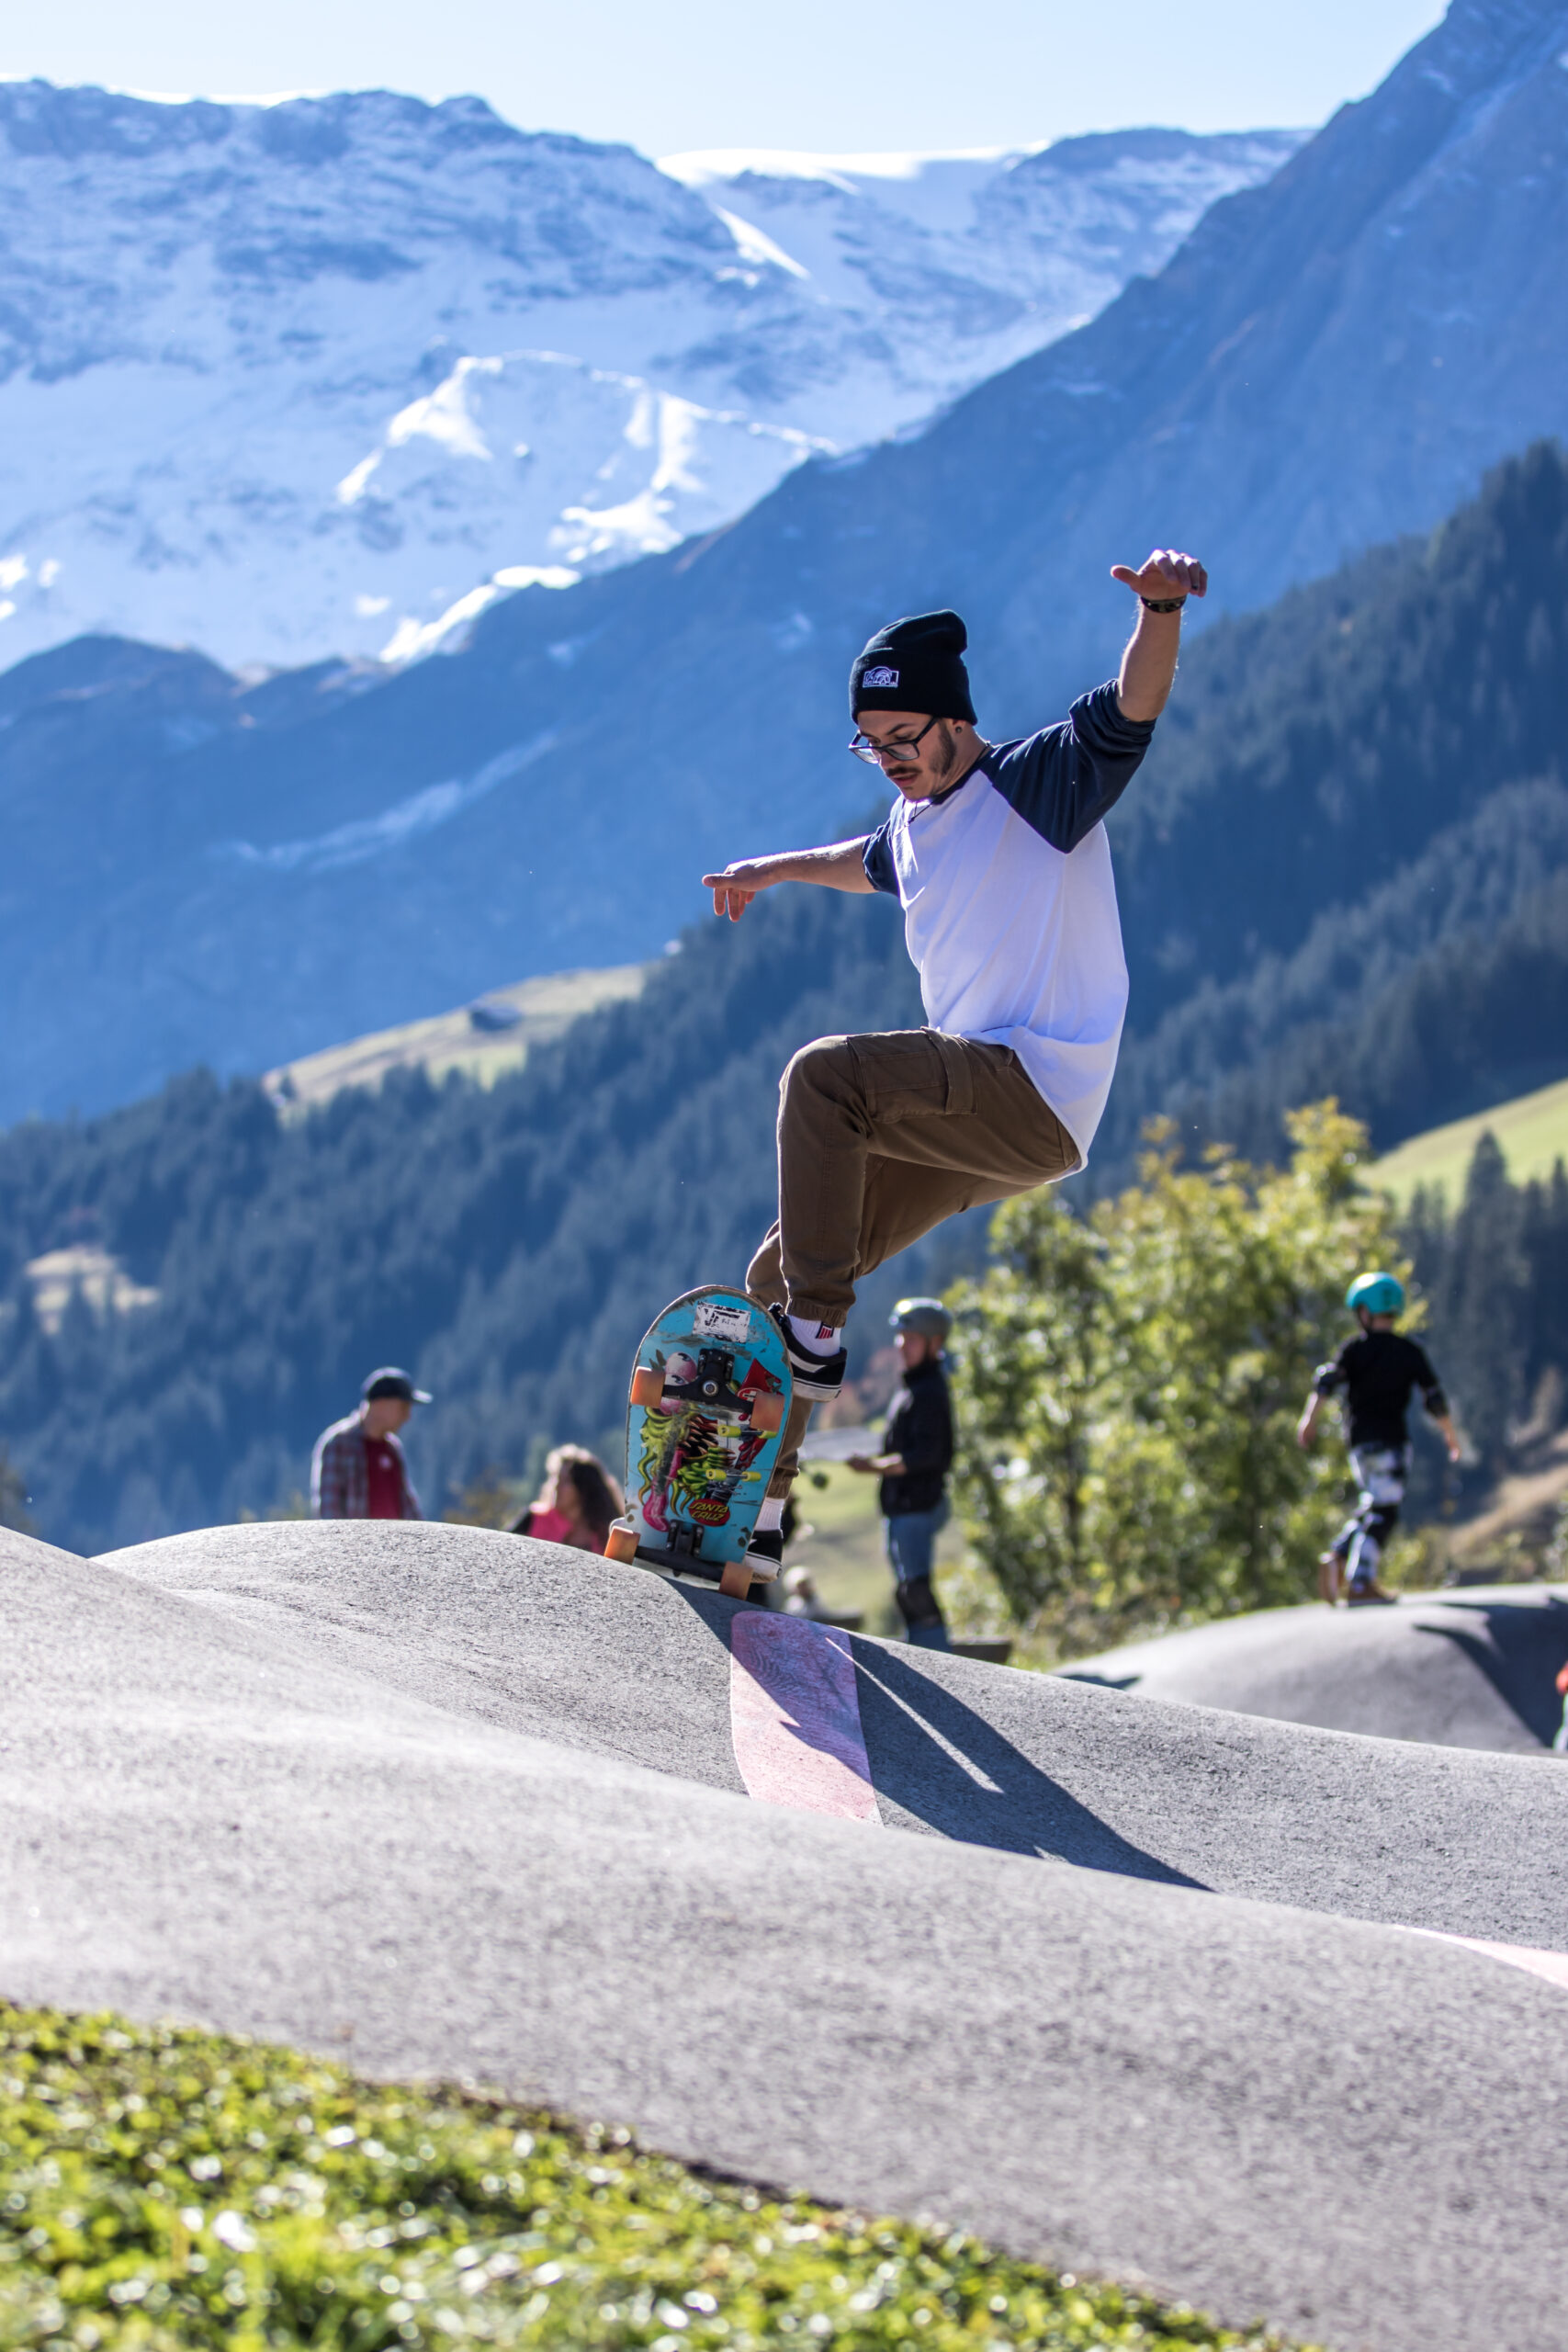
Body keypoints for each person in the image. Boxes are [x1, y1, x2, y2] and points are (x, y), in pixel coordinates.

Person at [701, 549, 1207, 1574]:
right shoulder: (910, 822)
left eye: (905, 737)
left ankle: (817, 1338)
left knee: (825, 1080)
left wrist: (1158, 610)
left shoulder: (1040, 783)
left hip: (1028, 1084)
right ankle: (751, 1516)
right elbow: (864, 861)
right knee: (775, 1271)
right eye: (872, 744)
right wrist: (773, 870)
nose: (891, 759)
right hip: (971, 1122)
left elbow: (1134, 705)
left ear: (956, 720)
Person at [1296, 1273, 1461, 1606]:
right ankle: (1360, 1581)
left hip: (1358, 1443)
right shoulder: (1409, 1351)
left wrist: (1309, 1419)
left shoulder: (1354, 1349)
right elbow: (1433, 1397)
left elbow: (1326, 1381)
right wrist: (1449, 1434)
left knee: (1374, 1504)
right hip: (1391, 1443)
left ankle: (1340, 1555)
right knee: (1385, 1510)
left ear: (1364, 1312)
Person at [848, 1298, 955, 1648]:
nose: (901, 1346)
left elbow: (924, 1455)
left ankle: (937, 1659)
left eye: (911, 1339)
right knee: (907, 1590)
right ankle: (924, 1655)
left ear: (935, 1343)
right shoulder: (911, 1388)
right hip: (901, 1508)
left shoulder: (929, 1392)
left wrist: (872, 1467)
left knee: (916, 1590)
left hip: (916, 1507)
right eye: (901, 1338)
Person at [310, 1367, 430, 1520]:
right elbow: (329, 1509)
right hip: (356, 1536)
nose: (407, 1416)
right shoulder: (339, 1443)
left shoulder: (393, 1448)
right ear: (381, 1403)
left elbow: (408, 1505)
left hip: (396, 1536)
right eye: (403, 1407)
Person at [511, 1443, 624, 1554]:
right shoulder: (533, 1520)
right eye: (556, 1478)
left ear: (584, 1489)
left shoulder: (609, 1533)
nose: (556, 1486)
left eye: (566, 1481)